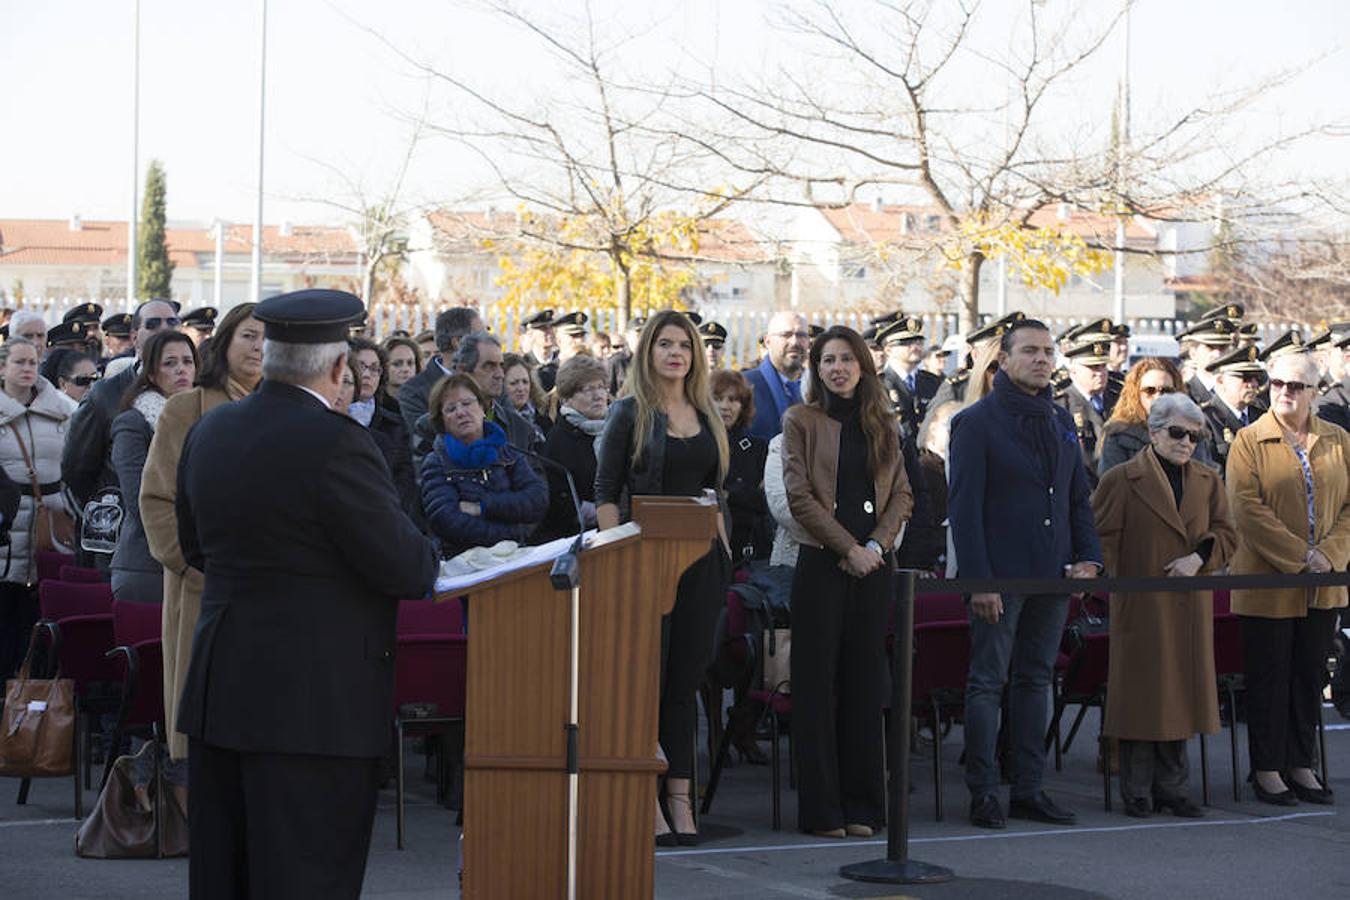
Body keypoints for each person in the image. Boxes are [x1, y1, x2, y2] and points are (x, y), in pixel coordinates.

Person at [174, 289, 437, 899]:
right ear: (340, 367)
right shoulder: (337, 441)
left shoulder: (212, 429)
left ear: (269, 355)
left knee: (225, 876)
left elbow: (194, 547)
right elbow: (407, 567)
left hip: (223, 692)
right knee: (308, 877)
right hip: (316, 707)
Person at [948, 318, 1103, 830]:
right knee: (987, 682)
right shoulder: (976, 422)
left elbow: (1077, 497)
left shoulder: (1059, 419)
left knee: (1036, 680)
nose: (1041, 359)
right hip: (998, 577)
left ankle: (1028, 789)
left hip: (1051, 574)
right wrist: (980, 581)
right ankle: (983, 793)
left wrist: (1089, 557)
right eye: (1030, 351)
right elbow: (964, 510)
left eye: (1047, 352)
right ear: (1005, 360)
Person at [594, 309, 732, 846]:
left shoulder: (707, 411)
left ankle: (680, 797)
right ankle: (645, 797)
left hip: (702, 565)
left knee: (684, 684)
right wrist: (618, 557)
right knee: (646, 684)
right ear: (647, 352)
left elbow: (716, 491)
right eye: (665, 344)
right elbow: (606, 492)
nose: (676, 353)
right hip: (644, 563)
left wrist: (721, 548)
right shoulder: (628, 412)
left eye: (684, 345)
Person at [782, 326, 913, 838]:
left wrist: (875, 548)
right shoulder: (801, 420)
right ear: (816, 369)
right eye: (827, 360)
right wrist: (848, 549)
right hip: (822, 565)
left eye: (846, 359)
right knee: (816, 688)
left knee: (864, 685)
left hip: (874, 569)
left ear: (863, 366)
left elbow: (902, 494)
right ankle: (822, 810)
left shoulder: (882, 422)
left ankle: (863, 806)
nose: (837, 368)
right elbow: (799, 496)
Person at [1093, 393, 1237, 817]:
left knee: (1181, 694)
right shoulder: (1121, 479)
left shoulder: (1208, 480)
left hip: (1190, 604)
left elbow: (1228, 534)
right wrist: (1105, 581)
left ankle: (1173, 787)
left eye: (1194, 436)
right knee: (1142, 695)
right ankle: (1137, 788)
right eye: (1177, 433)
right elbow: (1101, 539)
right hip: (1142, 606)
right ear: (1154, 433)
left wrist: (1199, 557)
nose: (1186, 443)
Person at [1226, 350, 1350, 807]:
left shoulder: (1338, 439)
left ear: (1314, 392)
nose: (1283, 392)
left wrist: (1329, 555)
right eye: (1276, 383)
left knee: (1308, 677)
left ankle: (1300, 763)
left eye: (1295, 386)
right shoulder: (1249, 440)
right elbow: (1246, 509)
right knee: (1269, 679)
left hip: (1322, 585)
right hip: (1268, 582)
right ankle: (1267, 769)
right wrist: (1301, 557)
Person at [141, 303, 263, 762]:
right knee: (204, 737)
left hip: (270, 591)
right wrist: (193, 567)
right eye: (249, 335)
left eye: (268, 339)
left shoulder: (286, 410)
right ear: (225, 341)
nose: (259, 347)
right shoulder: (187, 408)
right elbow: (156, 499)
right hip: (204, 589)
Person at [0, 338, 76, 677]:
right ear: (3, 368)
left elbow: (77, 463)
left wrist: (70, 507)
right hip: (8, 520)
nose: (28, 369)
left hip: (52, 518)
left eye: (33, 362)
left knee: (42, 617)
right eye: (20, 362)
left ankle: (36, 692)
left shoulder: (62, 408)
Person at [62, 298, 181, 506]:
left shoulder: (196, 389)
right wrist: (109, 505)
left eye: (172, 322)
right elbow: (77, 468)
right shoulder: (107, 393)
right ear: (135, 337)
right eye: (153, 324)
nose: (164, 329)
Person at [109, 331, 200, 605]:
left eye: (188, 361)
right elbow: (138, 500)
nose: (181, 369)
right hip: (147, 567)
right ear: (151, 374)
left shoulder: (207, 419)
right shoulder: (133, 423)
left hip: (199, 560)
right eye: (170, 363)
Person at [420, 373, 547, 558]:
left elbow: (536, 500)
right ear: (442, 421)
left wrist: (483, 506)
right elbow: (447, 521)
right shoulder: (437, 462)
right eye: (451, 409)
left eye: (467, 403)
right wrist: (511, 534)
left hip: (517, 554)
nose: (461, 412)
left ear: (482, 407)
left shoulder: (506, 451)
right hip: (466, 561)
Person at [533, 355, 608, 543]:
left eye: (601, 387)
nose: (598, 395)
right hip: (577, 540)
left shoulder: (616, 429)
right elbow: (559, 503)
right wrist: (604, 514)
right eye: (587, 389)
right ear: (566, 398)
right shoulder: (558, 440)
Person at [712, 369, 772, 563]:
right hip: (709, 546)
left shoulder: (759, 449)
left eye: (733, 400)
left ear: (743, 406)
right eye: (717, 399)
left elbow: (763, 503)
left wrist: (728, 494)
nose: (725, 406)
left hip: (750, 550)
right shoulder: (696, 446)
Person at [397, 307, 483, 439]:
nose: (488, 342)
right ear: (458, 342)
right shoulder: (412, 391)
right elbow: (424, 438)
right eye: (481, 335)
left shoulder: (490, 378)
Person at [1099, 357, 1195, 475]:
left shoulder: (1191, 433)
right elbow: (1112, 482)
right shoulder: (1118, 435)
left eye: (1166, 391)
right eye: (1150, 391)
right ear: (1136, 394)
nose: (1158, 397)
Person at [743, 311, 810, 440]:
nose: (794, 342)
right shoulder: (745, 385)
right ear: (768, 342)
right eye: (786, 335)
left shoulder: (819, 387)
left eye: (801, 335)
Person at [876, 315, 940, 443]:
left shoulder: (933, 382)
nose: (915, 347)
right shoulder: (878, 385)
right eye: (906, 343)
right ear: (888, 350)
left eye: (918, 342)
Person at [1200, 345, 1265, 469]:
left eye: (1256, 377)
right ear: (1220, 380)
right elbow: (1211, 469)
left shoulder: (1262, 417)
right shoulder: (1206, 419)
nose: (1253, 384)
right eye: (1245, 378)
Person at [1057, 339, 1113, 477]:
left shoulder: (1118, 399)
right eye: (1093, 367)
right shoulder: (1061, 405)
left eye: (1103, 366)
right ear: (1073, 370)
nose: (1100, 373)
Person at [502, 352, 552, 444]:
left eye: (525, 382)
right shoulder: (496, 422)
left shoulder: (542, 419)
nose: (521, 388)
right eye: (513, 383)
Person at [382, 335, 422, 404]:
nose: (405, 369)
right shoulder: (372, 405)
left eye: (410, 363)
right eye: (397, 364)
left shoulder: (426, 402)